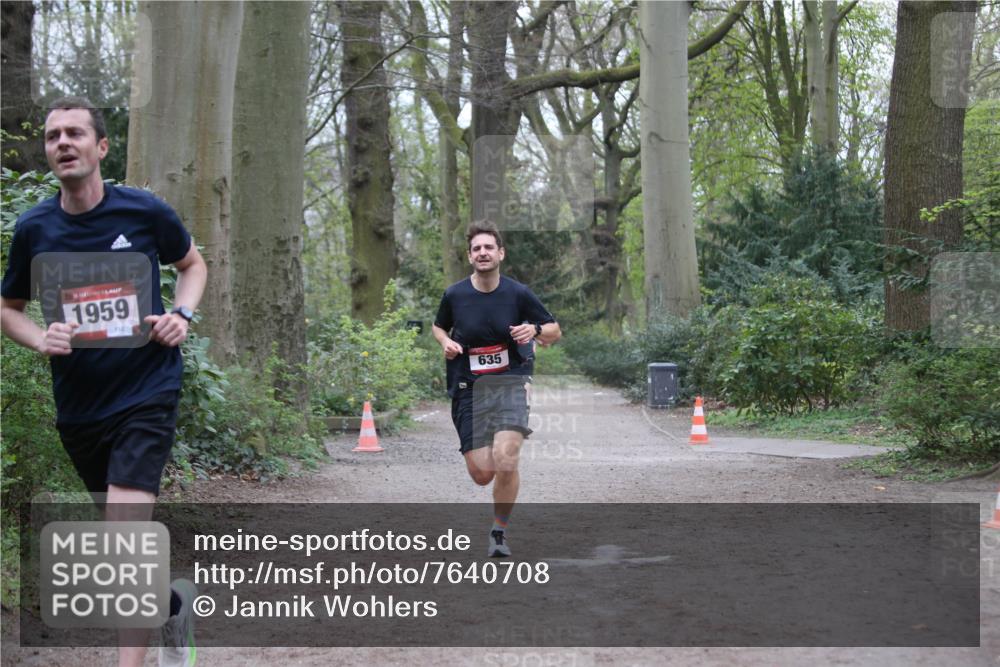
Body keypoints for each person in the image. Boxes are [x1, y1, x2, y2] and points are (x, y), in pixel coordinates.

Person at [1, 96, 206, 667]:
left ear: (101, 147)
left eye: (74, 133)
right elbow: (7, 306)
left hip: (147, 391)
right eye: (52, 136)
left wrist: (181, 316)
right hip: (80, 408)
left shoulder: (144, 213)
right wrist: (39, 337)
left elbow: (193, 265)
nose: (62, 143)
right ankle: (170, 607)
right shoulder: (35, 227)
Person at [432, 221, 561, 558]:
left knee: (507, 458)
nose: (483, 252)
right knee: (481, 474)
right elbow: (438, 326)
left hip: (510, 383)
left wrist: (533, 330)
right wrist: (446, 342)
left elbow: (553, 330)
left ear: (500, 253)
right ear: (469, 256)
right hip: (468, 388)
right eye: (477, 248)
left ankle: (499, 533)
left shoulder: (517, 293)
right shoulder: (455, 294)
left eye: (489, 247)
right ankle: (490, 453)